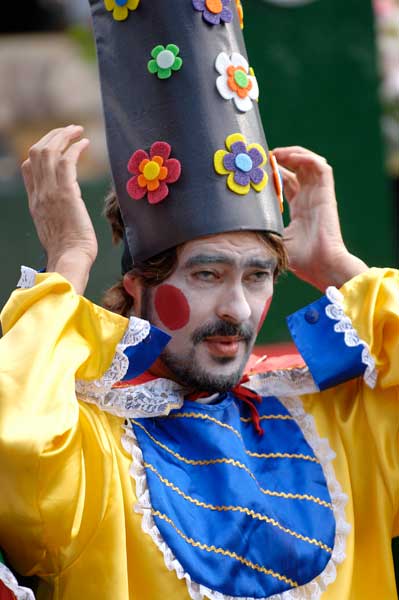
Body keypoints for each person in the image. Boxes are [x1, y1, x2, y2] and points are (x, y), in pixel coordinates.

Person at [0, 2, 398, 599]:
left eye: (258, 276)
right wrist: (69, 262)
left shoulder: (337, 427)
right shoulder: (93, 449)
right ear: (139, 287)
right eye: (209, 275)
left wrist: (340, 267)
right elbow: (15, 442)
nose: (238, 310)